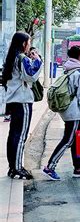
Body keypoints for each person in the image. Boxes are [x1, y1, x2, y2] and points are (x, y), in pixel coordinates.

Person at [43, 46, 80, 180]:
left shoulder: (68, 69)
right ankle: (50, 167)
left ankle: (78, 167)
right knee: (68, 140)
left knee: (76, 139)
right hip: (74, 112)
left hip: (66, 109)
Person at [2, 32, 42, 179]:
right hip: (23, 101)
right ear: (24, 43)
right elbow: (31, 75)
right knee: (21, 136)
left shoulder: (11, 57)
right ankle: (17, 168)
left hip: (13, 101)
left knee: (13, 134)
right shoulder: (22, 58)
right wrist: (38, 60)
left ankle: (12, 167)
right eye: (29, 42)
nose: (30, 45)